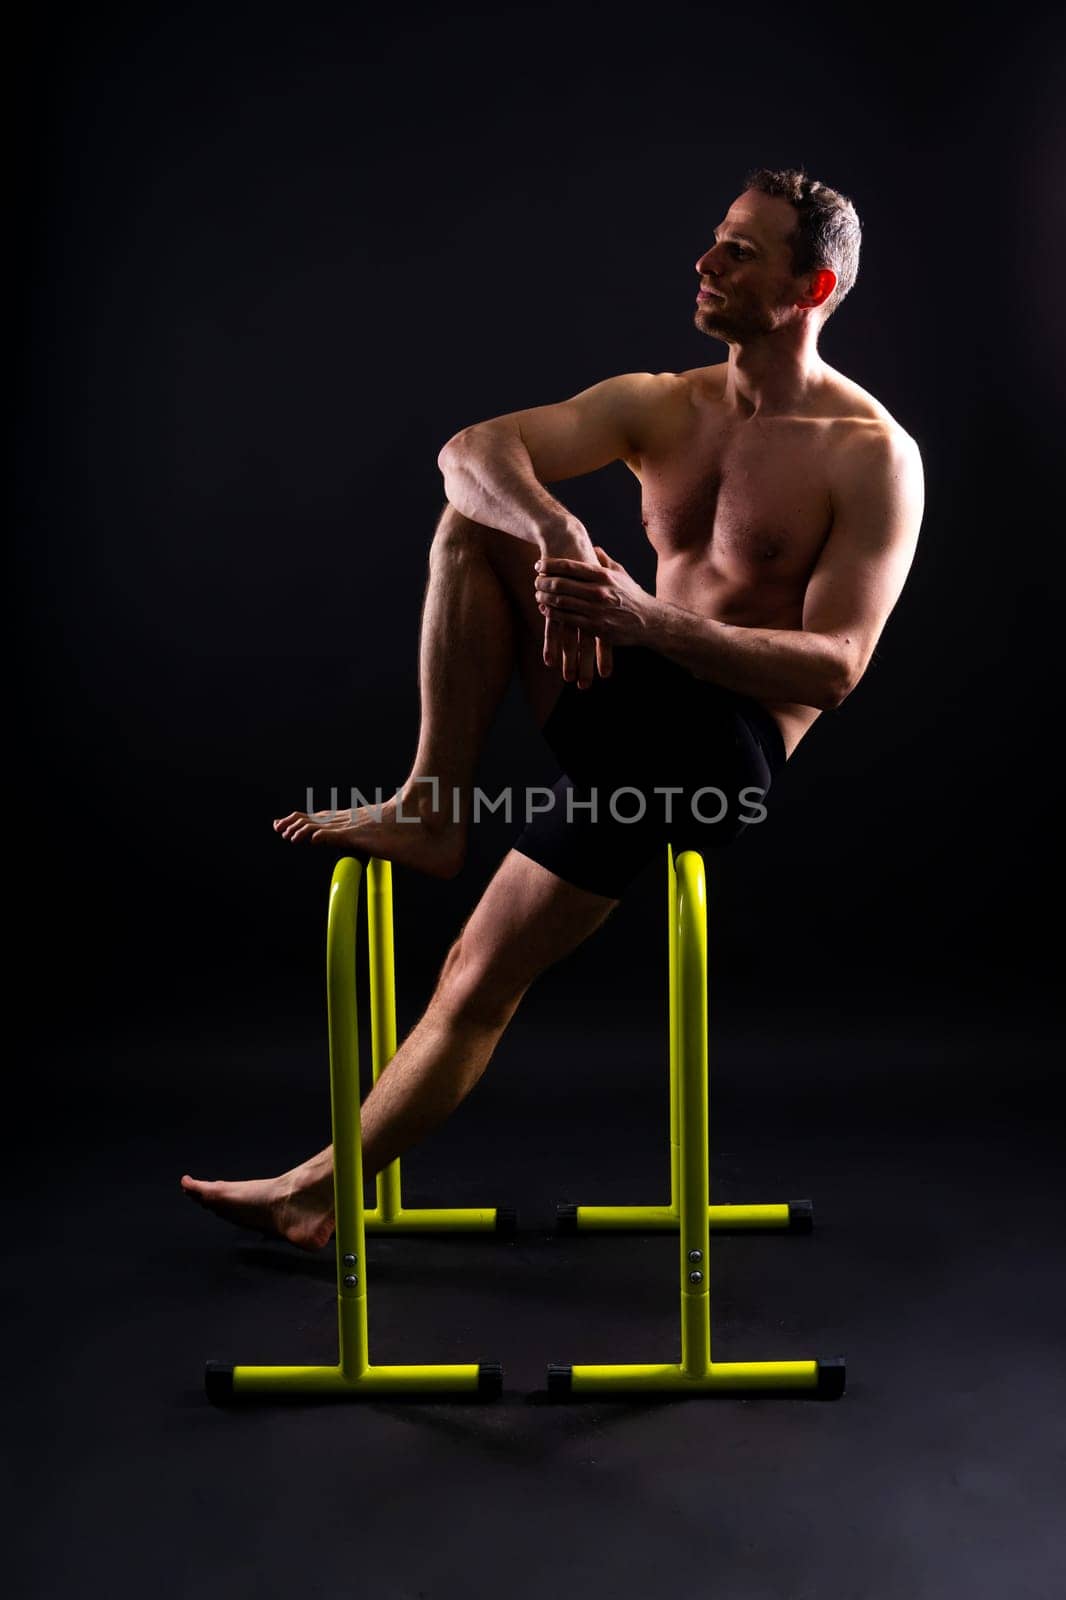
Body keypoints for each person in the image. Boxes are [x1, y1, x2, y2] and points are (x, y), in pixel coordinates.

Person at [181, 166, 924, 1250]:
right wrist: (562, 539)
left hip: (716, 753)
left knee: (477, 975)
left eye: (740, 251)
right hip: (622, 701)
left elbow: (834, 668)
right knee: (475, 522)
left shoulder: (872, 458)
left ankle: (315, 1191)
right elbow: (469, 453)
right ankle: (433, 807)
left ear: (810, 287)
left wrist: (644, 622)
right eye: (714, 238)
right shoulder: (661, 402)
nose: (705, 262)